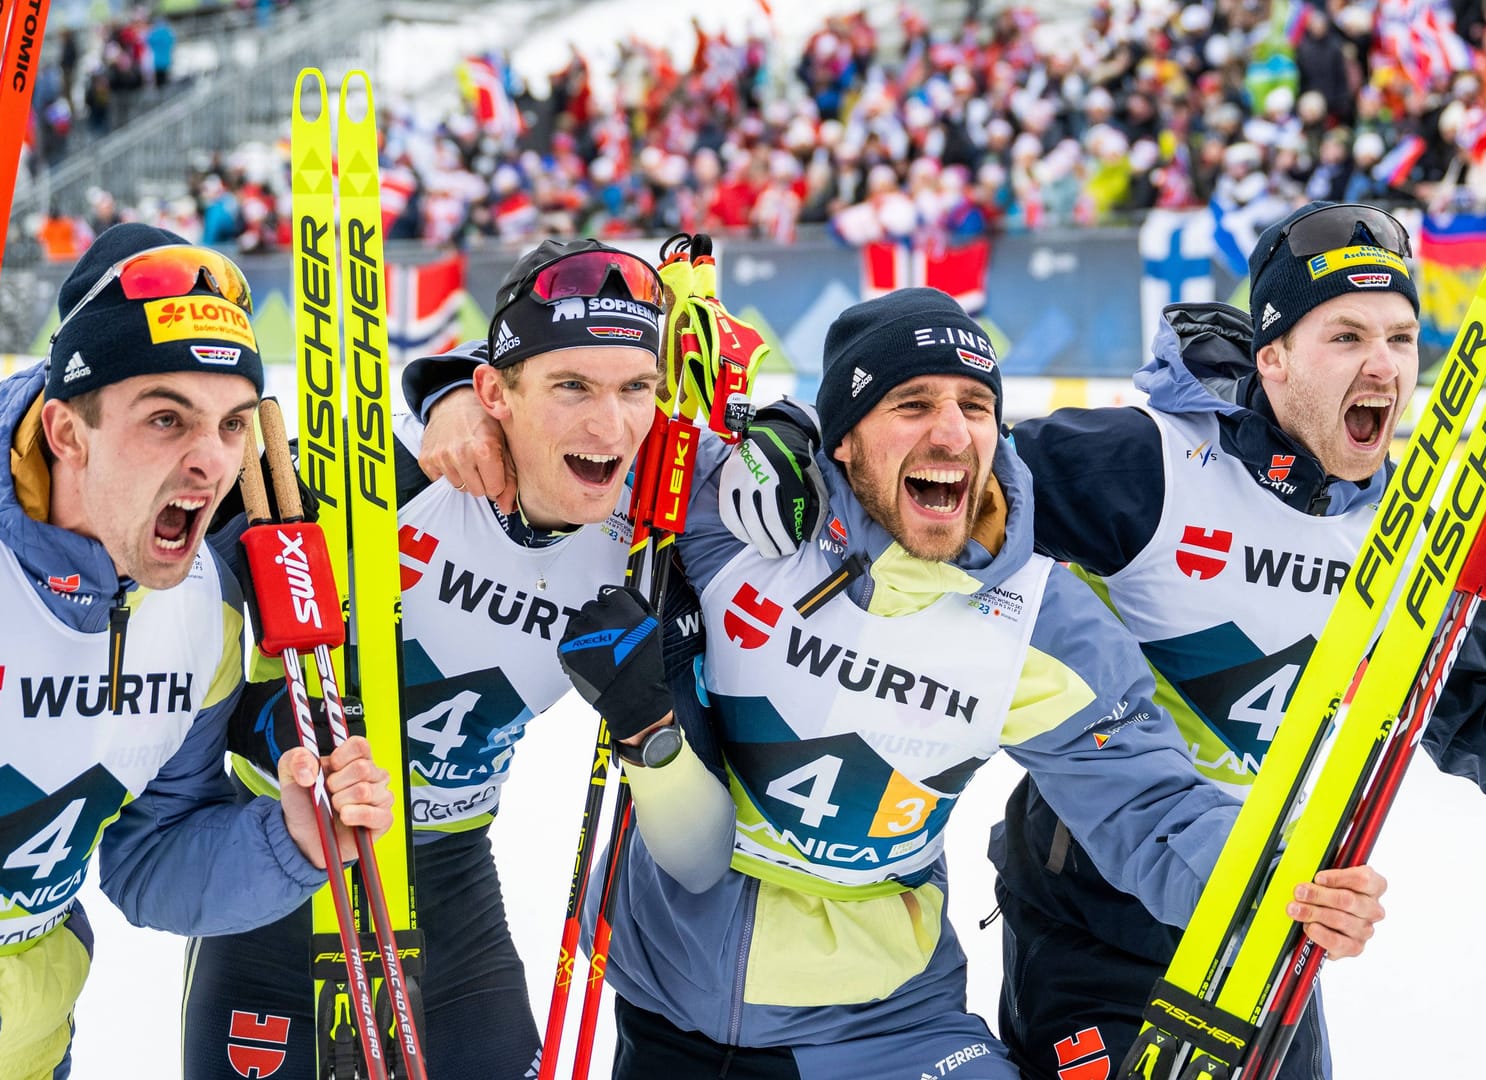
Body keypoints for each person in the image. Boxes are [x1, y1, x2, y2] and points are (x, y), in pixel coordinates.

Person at [714, 203, 1486, 1080]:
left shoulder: (1411, 532)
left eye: (1399, 337)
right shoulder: (1148, 463)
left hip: (1276, 913)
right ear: (1273, 354)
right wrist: (796, 436)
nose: (1380, 363)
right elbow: (936, 466)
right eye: (1346, 336)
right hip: (1097, 917)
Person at [548, 287, 1388, 1078]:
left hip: (885, 1025)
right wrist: (451, 403)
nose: (951, 432)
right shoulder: (738, 513)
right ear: (843, 436)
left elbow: (1151, 808)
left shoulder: (1043, 622)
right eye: (912, 405)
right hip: (661, 1001)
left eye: (975, 406)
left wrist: (1279, 887)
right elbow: (567, 423)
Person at [0, 223, 394, 1079]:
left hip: (34, 1043)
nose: (210, 461)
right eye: (167, 417)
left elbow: (150, 859)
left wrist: (289, 839)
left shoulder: (202, 610)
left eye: (233, 424)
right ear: (67, 431)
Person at [179, 238, 733, 1079]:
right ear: (492, 392)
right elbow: (174, 653)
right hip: (286, 868)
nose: (608, 424)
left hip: (450, 874)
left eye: (634, 389)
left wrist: (646, 723)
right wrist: (269, 730)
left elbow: (698, 859)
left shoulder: (651, 538)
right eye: (571, 387)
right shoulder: (389, 468)